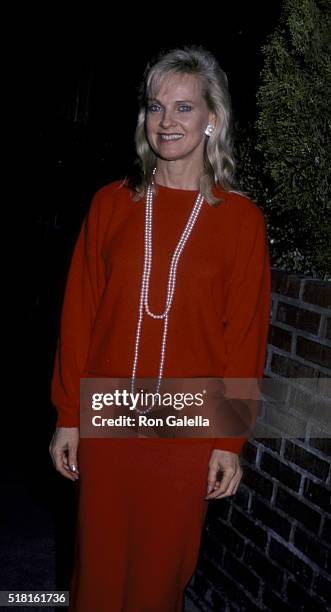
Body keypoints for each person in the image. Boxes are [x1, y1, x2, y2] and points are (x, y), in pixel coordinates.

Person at [49, 45, 271, 612]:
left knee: (161, 573)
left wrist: (229, 441)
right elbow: (78, 315)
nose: (166, 122)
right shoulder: (110, 204)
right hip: (108, 412)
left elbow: (245, 337)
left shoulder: (241, 221)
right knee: (95, 569)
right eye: (155, 107)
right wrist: (68, 417)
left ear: (211, 119)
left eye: (184, 107)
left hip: (189, 423)